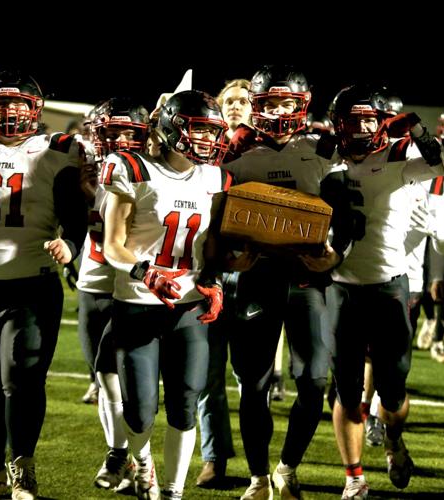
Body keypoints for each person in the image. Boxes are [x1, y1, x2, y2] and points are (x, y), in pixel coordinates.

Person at [0, 70, 90, 500]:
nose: (9, 113)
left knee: (22, 383)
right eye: (1, 105)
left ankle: (22, 466)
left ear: (35, 111)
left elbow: (75, 214)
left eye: (18, 105)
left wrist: (70, 244)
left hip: (31, 285)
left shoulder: (55, 151)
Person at [223, 65, 346, 500]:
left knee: (313, 380)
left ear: (301, 104)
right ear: (257, 106)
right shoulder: (235, 151)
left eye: (285, 103)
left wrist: (336, 254)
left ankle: (287, 467)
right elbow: (216, 219)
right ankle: (258, 478)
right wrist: (230, 255)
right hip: (257, 276)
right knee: (253, 381)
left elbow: (348, 212)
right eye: (270, 103)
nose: (277, 111)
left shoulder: (321, 147)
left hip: (307, 277)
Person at [101, 90, 229, 500]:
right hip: (138, 302)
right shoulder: (131, 168)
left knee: (185, 402)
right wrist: (144, 271)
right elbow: (113, 243)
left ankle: (171, 492)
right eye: (199, 130)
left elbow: (210, 249)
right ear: (173, 128)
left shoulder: (217, 178)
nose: (208, 140)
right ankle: (141, 462)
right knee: (139, 410)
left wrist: (215, 281)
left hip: (187, 307)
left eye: (213, 131)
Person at [325, 83, 444, 499]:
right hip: (340, 287)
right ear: (339, 124)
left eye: (368, 120)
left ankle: (394, 440)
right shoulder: (324, 160)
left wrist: (416, 129)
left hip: (389, 287)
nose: (361, 129)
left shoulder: (396, 156)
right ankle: (354, 478)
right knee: (346, 388)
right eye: (353, 121)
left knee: (393, 393)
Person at [75, 97, 152, 492]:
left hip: (136, 285)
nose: (121, 138)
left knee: (135, 383)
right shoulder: (83, 166)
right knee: (105, 380)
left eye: (129, 132)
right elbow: (67, 222)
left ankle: (134, 458)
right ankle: (119, 453)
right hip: (94, 280)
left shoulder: (152, 169)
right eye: (112, 131)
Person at [194, 79, 252, 488]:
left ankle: (259, 463)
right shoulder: (201, 147)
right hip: (209, 268)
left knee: (251, 376)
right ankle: (214, 457)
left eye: (242, 101)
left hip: (250, 273)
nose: (234, 107)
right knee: (208, 373)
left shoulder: (265, 151)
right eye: (228, 101)